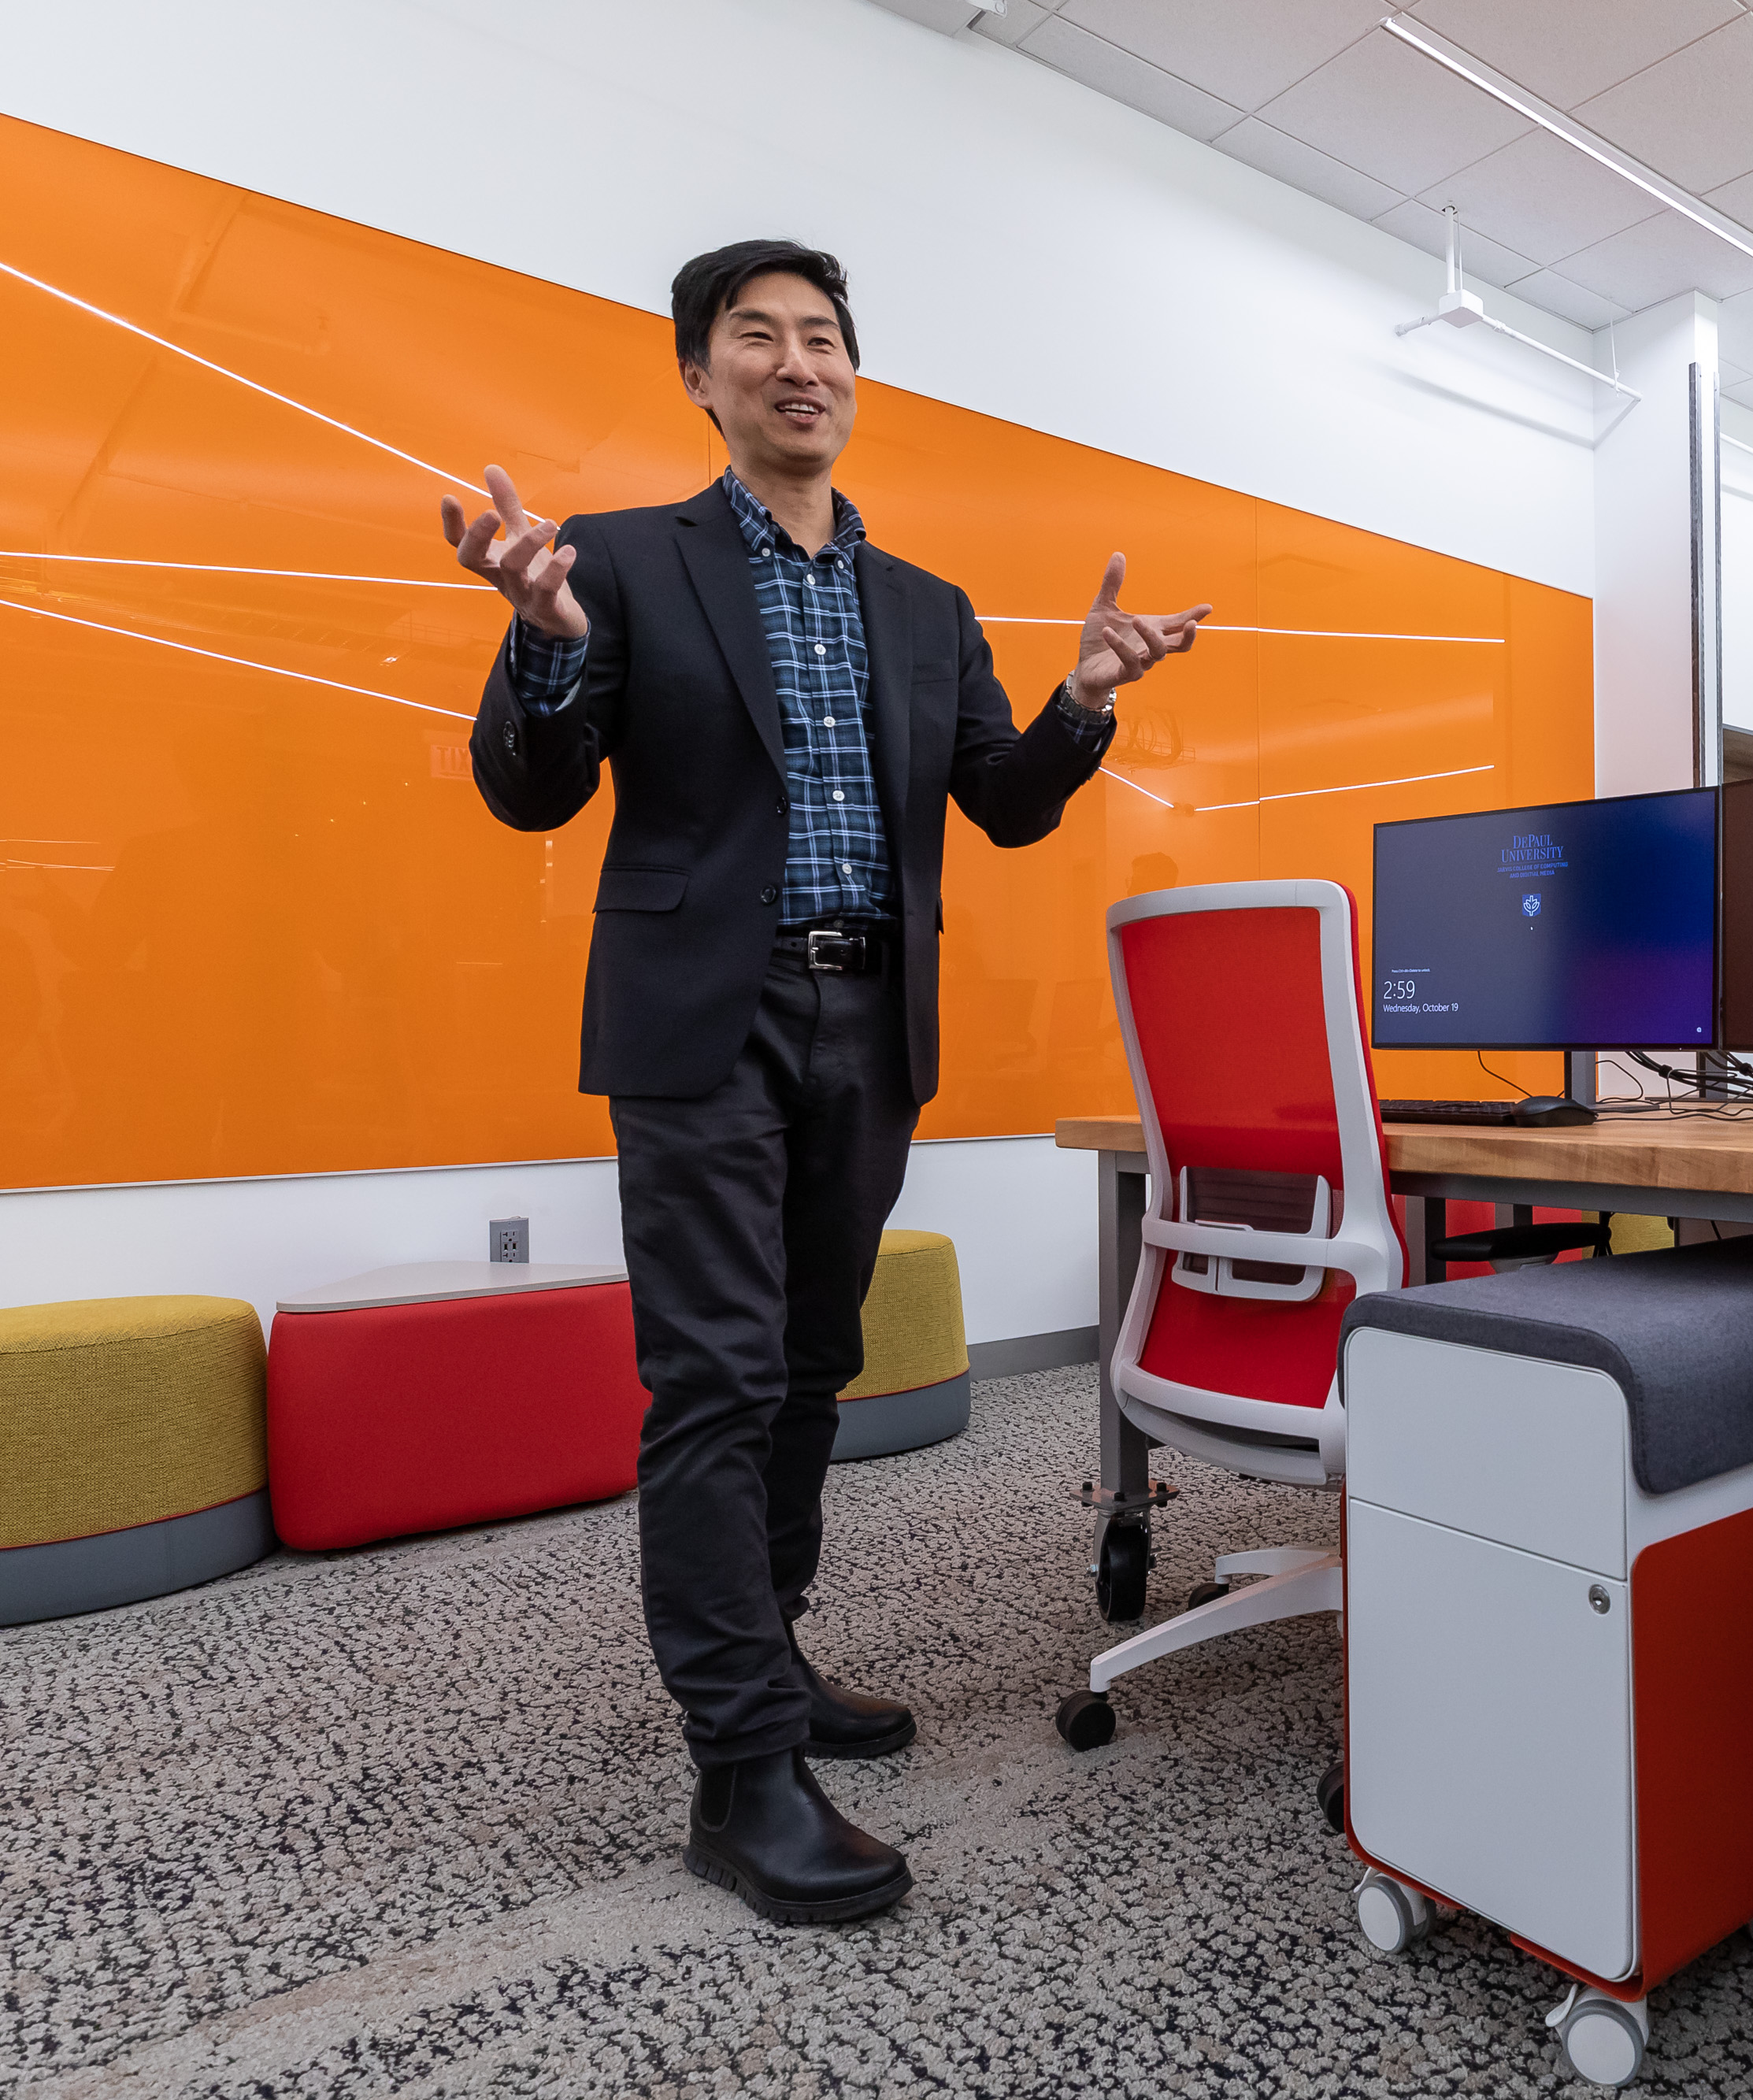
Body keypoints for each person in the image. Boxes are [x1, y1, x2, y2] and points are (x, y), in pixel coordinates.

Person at [446, 239, 1207, 1924]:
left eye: (823, 338)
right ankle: (739, 1771)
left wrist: (1083, 700)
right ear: (700, 378)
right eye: (756, 338)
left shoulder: (925, 608)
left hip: (868, 1024)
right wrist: (545, 641)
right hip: (699, 1023)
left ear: (852, 375)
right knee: (712, 1378)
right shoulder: (625, 563)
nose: (798, 363)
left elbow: (1002, 803)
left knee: (808, 1362)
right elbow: (531, 791)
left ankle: (769, 1660)